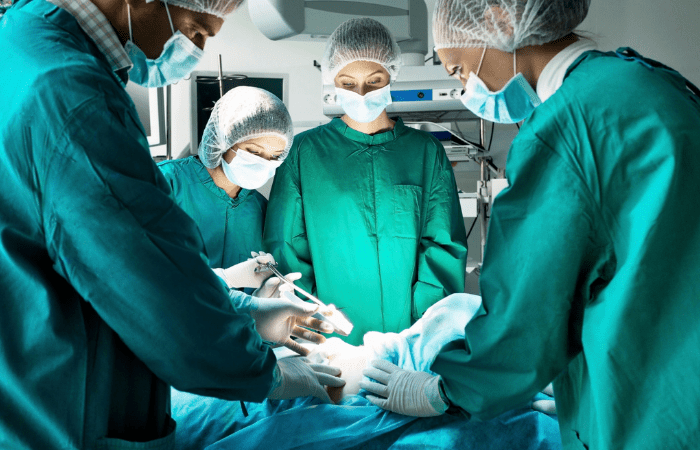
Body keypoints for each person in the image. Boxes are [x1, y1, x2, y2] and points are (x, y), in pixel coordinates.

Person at [0, 1, 341, 449]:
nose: (195, 49)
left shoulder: (22, 34)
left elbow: (143, 266)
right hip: (67, 411)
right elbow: (155, 291)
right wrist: (267, 371)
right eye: (195, 29)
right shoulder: (75, 98)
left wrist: (249, 312)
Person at [360, 1, 700, 449]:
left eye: (460, 70)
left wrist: (441, 390)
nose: (467, 88)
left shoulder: (565, 127)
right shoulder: (654, 81)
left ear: (501, 20)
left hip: (650, 408)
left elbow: (527, 314)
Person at [263, 18, 469, 346]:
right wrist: (316, 318)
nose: (361, 94)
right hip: (331, 334)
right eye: (348, 82)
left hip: (411, 334)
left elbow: (443, 245)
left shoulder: (426, 152)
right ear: (332, 80)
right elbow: (287, 246)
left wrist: (422, 328)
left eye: (374, 81)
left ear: (392, 76)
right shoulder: (304, 152)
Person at [160, 86, 334, 354]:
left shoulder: (260, 209)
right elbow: (141, 279)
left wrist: (265, 304)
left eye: (274, 156)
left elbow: (248, 315)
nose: (264, 163)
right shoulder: (163, 185)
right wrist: (225, 279)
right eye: (254, 151)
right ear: (223, 141)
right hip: (165, 345)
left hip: (227, 350)